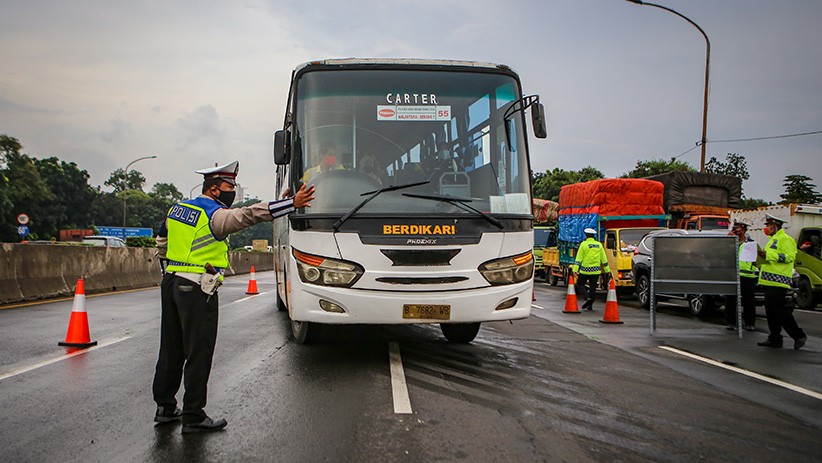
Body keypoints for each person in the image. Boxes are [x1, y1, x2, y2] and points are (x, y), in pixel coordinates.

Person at [152, 160, 316, 433]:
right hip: (197, 288)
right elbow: (248, 215)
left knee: (170, 348)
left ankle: (165, 407)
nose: (232, 191)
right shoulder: (213, 214)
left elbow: (161, 243)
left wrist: (172, 266)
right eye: (230, 187)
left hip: (171, 282)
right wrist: (290, 204)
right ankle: (193, 415)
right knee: (198, 351)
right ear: (215, 190)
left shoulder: (177, 209)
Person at [756, 213, 807, 350]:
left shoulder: (786, 239)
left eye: (768, 226)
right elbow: (770, 260)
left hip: (779, 281)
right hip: (768, 281)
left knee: (779, 311)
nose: (766, 228)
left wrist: (768, 255)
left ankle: (798, 335)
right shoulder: (772, 240)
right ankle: (775, 338)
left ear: (775, 226)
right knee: (770, 312)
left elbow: (789, 257)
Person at [725, 219, 757, 331]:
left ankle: (750, 323)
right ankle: (731, 323)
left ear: (743, 230)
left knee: (749, 301)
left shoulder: (750, 243)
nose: (735, 231)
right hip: (733, 274)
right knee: (730, 300)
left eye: (737, 229)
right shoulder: (730, 241)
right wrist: (728, 240)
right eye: (734, 229)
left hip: (747, 276)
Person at [571, 228, 610, 310]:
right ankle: (590, 303)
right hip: (596, 270)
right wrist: (607, 271)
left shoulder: (583, 244)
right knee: (593, 287)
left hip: (585, 270)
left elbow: (579, 258)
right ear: (593, 236)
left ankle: (587, 298)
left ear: (586, 235)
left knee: (580, 284)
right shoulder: (599, 245)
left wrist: (575, 270)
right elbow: (604, 259)